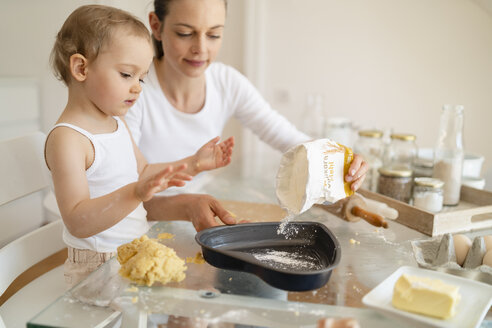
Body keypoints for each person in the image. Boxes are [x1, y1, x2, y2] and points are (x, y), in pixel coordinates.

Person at [45, 4, 235, 287]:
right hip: (97, 267)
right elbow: (77, 221)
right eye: (126, 75)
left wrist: (194, 163)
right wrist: (135, 193)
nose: (138, 87)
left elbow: (143, 171)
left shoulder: (117, 124)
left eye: (141, 77)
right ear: (81, 68)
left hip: (134, 250)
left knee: (199, 286)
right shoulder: (69, 139)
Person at [125, 0, 368, 203]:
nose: (200, 48)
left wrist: (340, 159)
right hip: (139, 216)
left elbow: (288, 138)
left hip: (197, 206)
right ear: (156, 27)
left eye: (214, 34)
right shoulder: (132, 92)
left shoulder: (226, 82)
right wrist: (186, 203)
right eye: (185, 33)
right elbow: (125, 186)